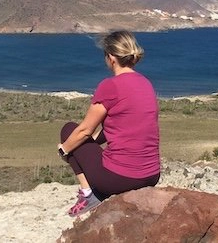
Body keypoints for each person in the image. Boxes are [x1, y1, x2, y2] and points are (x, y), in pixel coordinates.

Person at [58, 30, 160, 217]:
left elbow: (85, 131)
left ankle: (88, 195)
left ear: (111, 57)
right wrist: (91, 145)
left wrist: (64, 151)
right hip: (152, 175)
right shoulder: (146, 83)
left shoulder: (110, 85)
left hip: (120, 179)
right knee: (81, 141)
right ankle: (94, 193)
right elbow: (122, 124)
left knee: (69, 130)